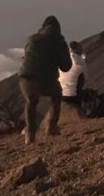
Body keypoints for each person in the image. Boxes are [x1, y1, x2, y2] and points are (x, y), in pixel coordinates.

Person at [18, 15, 72, 144]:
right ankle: (51, 127)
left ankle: (30, 135)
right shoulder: (59, 41)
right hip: (46, 80)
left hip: (25, 77)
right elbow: (66, 67)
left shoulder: (32, 39)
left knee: (31, 101)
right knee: (57, 95)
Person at [59, 40, 88, 107]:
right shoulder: (81, 63)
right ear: (78, 49)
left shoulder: (63, 60)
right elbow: (86, 79)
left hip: (61, 95)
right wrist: (85, 63)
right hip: (73, 96)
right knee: (80, 78)